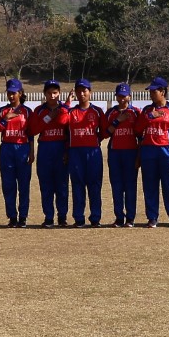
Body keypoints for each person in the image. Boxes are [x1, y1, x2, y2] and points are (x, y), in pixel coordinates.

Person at [138, 77, 169, 227]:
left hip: (166, 151)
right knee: (149, 185)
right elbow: (137, 130)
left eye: (154, 91)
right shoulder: (146, 110)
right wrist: (150, 117)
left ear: (162, 92)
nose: (151, 94)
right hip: (148, 151)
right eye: (150, 91)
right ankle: (152, 217)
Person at [65, 80, 105, 227]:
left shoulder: (97, 112)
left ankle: (95, 218)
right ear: (75, 92)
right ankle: (79, 218)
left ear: (90, 92)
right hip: (75, 152)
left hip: (93, 152)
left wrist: (95, 139)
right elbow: (62, 121)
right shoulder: (71, 112)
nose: (82, 94)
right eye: (79, 91)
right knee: (77, 185)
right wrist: (67, 103)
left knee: (94, 185)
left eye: (85, 91)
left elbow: (105, 131)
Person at [31, 80, 70, 227]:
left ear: (59, 93)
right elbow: (34, 130)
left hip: (60, 148)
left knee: (62, 186)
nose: (52, 96)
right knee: (46, 186)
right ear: (45, 94)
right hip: (45, 149)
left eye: (55, 93)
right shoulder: (39, 110)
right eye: (49, 93)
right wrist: (49, 117)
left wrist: (66, 151)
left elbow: (67, 128)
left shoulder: (65, 109)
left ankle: (62, 217)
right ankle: (48, 217)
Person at [0, 80, 35, 227]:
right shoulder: (2, 111)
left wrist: (31, 152)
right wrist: (5, 119)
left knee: (24, 185)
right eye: (9, 93)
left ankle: (23, 217)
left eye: (14, 93)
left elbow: (31, 134)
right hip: (7, 148)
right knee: (8, 185)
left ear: (20, 93)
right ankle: (12, 216)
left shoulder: (27, 112)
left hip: (22, 148)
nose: (11, 96)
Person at [105, 84, 143, 227]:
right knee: (117, 186)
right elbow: (106, 133)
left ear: (129, 96)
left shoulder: (136, 112)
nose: (122, 99)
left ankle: (130, 218)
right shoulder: (110, 113)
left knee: (130, 186)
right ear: (116, 96)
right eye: (119, 96)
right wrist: (117, 121)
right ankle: (119, 217)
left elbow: (140, 136)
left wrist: (139, 156)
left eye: (124, 96)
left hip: (131, 153)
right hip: (115, 152)